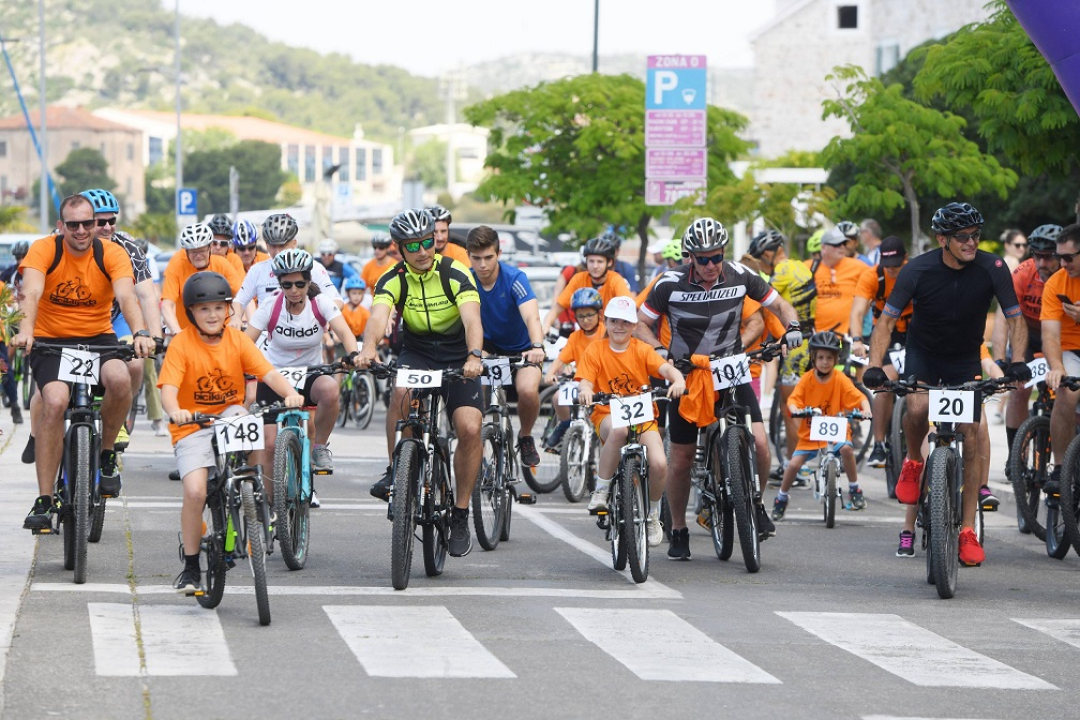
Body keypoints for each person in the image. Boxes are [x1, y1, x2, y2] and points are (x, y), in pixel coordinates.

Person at [863, 202, 1030, 567]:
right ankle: (911, 460)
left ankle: (967, 528)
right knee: (918, 406)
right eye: (962, 237)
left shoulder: (994, 267)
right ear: (942, 239)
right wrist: (875, 366)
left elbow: (1015, 318)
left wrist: (1016, 362)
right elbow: (886, 323)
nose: (971, 243)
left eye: (976, 235)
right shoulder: (916, 269)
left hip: (964, 359)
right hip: (924, 353)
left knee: (970, 434)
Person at [637, 218, 802, 560]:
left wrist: (794, 326)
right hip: (687, 372)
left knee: (758, 442)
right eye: (703, 259)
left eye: (717, 257)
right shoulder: (668, 283)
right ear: (690, 257)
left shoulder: (741, 274)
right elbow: (640, 324)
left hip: (730, 366)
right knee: (681, 457)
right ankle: (679, 527)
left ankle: (754, 504)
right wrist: (658, 352)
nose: (712, 265)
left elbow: (779, 305)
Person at [16, 193, 156, 531]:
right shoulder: (44, 249)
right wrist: (25, 331)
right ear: (61, 226)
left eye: (88, 224)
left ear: (96, 225)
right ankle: (45, 498)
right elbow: (31, 293)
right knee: (54, 401)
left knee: (122, 379)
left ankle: (107, 455)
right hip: (51, 342)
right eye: (73, 224)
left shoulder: (113, 253)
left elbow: (127, 294)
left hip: (97, 340)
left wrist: (140, 331)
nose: (81, 231)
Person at [158, 271, 304, 593]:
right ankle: (192, 566)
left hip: (229, 414)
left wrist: (290, 392)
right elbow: (168, 388)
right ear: (191, 313)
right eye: (203, 309)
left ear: (228, 310)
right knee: (196, 492)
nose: (212, 315)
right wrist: (174, 411)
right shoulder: (181, 343)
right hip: (191, 425)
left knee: (244, 416)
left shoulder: (237, 339)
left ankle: (250, 492)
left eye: (218, 308)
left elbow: (266, 372)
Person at [359, 209, 484, 558]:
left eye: (428, 242)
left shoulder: (454, 272)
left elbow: (472, 317)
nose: (423, 251)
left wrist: (474, 355)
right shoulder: (392, 277)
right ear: (399, 248)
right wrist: (368, 349)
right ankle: (397, 472)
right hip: (418, 353)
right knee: (400, 392)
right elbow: (378, 316)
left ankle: (459, 514)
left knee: (470, 427)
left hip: (460, 356)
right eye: (413, 245)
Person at [576, 296, 685, 548]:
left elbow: (666, 369)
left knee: (658, 462)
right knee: (618, 430)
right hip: (607, 412)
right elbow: (585, 380)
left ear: (634, 325)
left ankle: (653, 515)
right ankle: (601, 490)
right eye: (614, 321)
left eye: (625, 322)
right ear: (605, 322)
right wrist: (585, 390)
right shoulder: (595, 350)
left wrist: (677, 380)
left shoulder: (642, 349)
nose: (619, 327)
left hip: (644, 416)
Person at [245, 249, 361, 484]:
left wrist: (354, 354)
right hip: (274, 375)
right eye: (287, 285)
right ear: (280, 284)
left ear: (309, 281)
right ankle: (270, 509)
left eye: (300, 283)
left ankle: (319, 446)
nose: (294, 290)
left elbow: (345, 333)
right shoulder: (270, 306)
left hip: (311, 373)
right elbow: (245, 342)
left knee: (330, 390)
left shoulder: (321, 303)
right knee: (268, 446)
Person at [81, 189, 162, 453]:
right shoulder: (63, 242)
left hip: (115, 320)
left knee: (136, 364)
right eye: (99, 221)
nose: (106, 227)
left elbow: (147, 295)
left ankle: (120, 414)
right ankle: (39, 432)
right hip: (73, 322)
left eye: (111, 221)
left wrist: (155, 336)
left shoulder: (128, 248)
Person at [465, 225, 547, 466]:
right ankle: (474, 438)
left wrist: (537, 346)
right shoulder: (466, 280)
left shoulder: (514, 278)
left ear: (498, 254)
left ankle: (525, 436)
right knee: (473, 384)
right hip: (487, 344)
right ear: (468, 256)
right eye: (476, 258)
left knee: (528, 390)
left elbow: (532, 317)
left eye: (488, 257)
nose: (482, 265)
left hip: (523, 348)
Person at [771, 331, 872, 520]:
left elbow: (860, 398)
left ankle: (854, 488)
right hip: (810, 434)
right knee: (793, 464)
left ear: (836, 359)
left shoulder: (841, 379)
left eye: (829, 358)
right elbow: (793, 400)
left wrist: (865, 410)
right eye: (821, 358)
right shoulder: (807, 379)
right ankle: (781, 498)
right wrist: (796, 409)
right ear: (813, 358)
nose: (825, 362)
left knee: (848, 451)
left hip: (837, 430)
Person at [748, 229, 817, 482]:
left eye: (758, 259)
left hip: (796, 347)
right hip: (811, 340)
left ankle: (796, 467)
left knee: (791, 409)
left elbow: (762, 302)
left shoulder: (782, 271)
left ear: (767, 254)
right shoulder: (801, 266)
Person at [992, 223, 1060, 478]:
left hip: (1060, 336)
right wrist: (1001, 360)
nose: (1042, 263)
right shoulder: (1022, 274)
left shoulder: (1070, 274)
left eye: (1049, 257)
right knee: (1019, 389)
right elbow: (1003, 318)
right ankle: (1015, 456)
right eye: (1037, 256)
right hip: (1029, 334)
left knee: (1065, 393)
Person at [849, 236, 909, 468]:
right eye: (888, 265)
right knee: (884, 381)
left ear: (905, 258)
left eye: (896, 264)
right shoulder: (873, 276)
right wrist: (856, 339)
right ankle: (879, 444)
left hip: (915, 329)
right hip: (885, 331)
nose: (892, 270)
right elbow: (858, 311)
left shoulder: (914, 272)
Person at [1039, 223, 1080, 498]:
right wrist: (1056, 367)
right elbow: (1050, 336)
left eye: (1068, 257)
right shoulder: (1056, 283)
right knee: (1066, 391)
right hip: (1069, 350)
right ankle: (1060, 467)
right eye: (1059, 257)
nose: (1061, 263)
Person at [235, 213, 342, 313]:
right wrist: (236, 319)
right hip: (267, 331)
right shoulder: (257, 270)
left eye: (282, 246)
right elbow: (239, 301)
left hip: (305, 330)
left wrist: (325, 317)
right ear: (266, 245)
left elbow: (337, 300)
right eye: (273, 246)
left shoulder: (314, 268)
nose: (277, 252)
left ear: (294, 243)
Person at [543, 287, 606, 449]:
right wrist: (550, 372)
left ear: (599, 314)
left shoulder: (606, 333)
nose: (585, 320)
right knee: (557, 397)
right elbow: (562, 358)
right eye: (580, 316)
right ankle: (565, 424)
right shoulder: (575, 337)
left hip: (603, 385)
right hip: (582, 382)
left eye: (589, 315)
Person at [161, 224, 245, 336]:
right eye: (193, 252)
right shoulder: (176, 265)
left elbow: (240, 296)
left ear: (210, 248)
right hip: (187, 334)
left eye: (202, 250)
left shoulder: (222, 263)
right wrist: (175, 330)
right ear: (186, 252)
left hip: (222, 333)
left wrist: (236, 319)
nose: (198, 255)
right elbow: (167, 304)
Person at [541, 236, 632, 336]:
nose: (595, 266)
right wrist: (546, 327)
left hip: (609, 338)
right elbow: (556, 310)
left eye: (600, 262)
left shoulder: (616, 280)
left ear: (609, 262)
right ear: (586, 261)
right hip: (583, 336)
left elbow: (627, 312)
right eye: (591, 261)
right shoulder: (578, 278)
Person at [600, 228, 640, 293]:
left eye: (612, 250)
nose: (609, 253)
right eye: (605, 249)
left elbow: (633, 294)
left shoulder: (626, 268)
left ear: (618, 251)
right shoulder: (595, 267)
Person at [361, 232, 396, 301]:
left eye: (381, 247)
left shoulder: (395, 266)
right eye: (375, 247)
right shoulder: (368, 266)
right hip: (374, 305)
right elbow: (361, 288)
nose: (377, 250)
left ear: (388, 248)